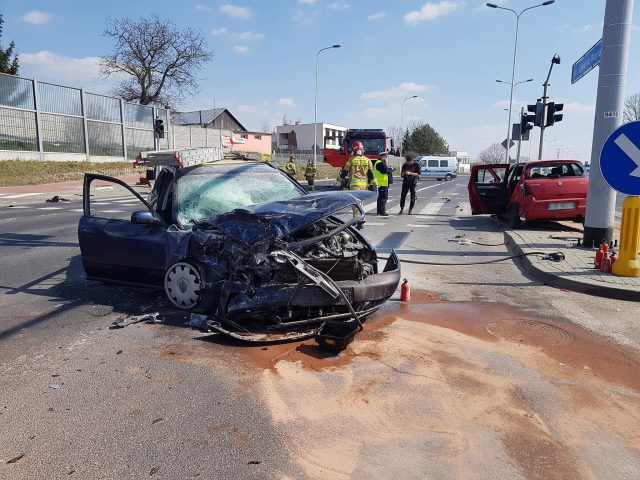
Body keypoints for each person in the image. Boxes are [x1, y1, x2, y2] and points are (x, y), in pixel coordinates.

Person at [340, 140, 377, 229]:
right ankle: (360, 219)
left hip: (354, 185)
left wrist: (340, 178)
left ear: (354, 150)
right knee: (361, 203)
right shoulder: (367, 160)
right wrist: (374, 183)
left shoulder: (351, 159)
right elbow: (371, 173)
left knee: (355, 203)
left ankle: (358, 220)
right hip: (364, 185)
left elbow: (345, 172)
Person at [372, 152, 392, 216]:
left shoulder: (379, 163)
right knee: (383, 198)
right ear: (383, 157)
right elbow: (386, 171)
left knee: (380, 198)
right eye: (386, 157)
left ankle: (379, 211)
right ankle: (382, 211)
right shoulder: (380, 163)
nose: (387, 159)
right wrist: (386, 164)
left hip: (381, 183)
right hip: (382, 183)